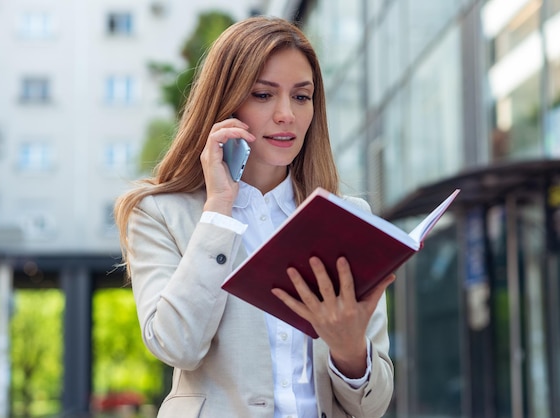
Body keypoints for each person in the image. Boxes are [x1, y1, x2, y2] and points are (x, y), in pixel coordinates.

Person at [114, 15, 395, 418]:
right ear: (226, 102)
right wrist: (218, 212)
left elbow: (374, 405)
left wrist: (350, 351)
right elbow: (176, 346)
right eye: (263, 95)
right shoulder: (160, 214)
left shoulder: (346, 219)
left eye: (301, 96)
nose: (287, 115)